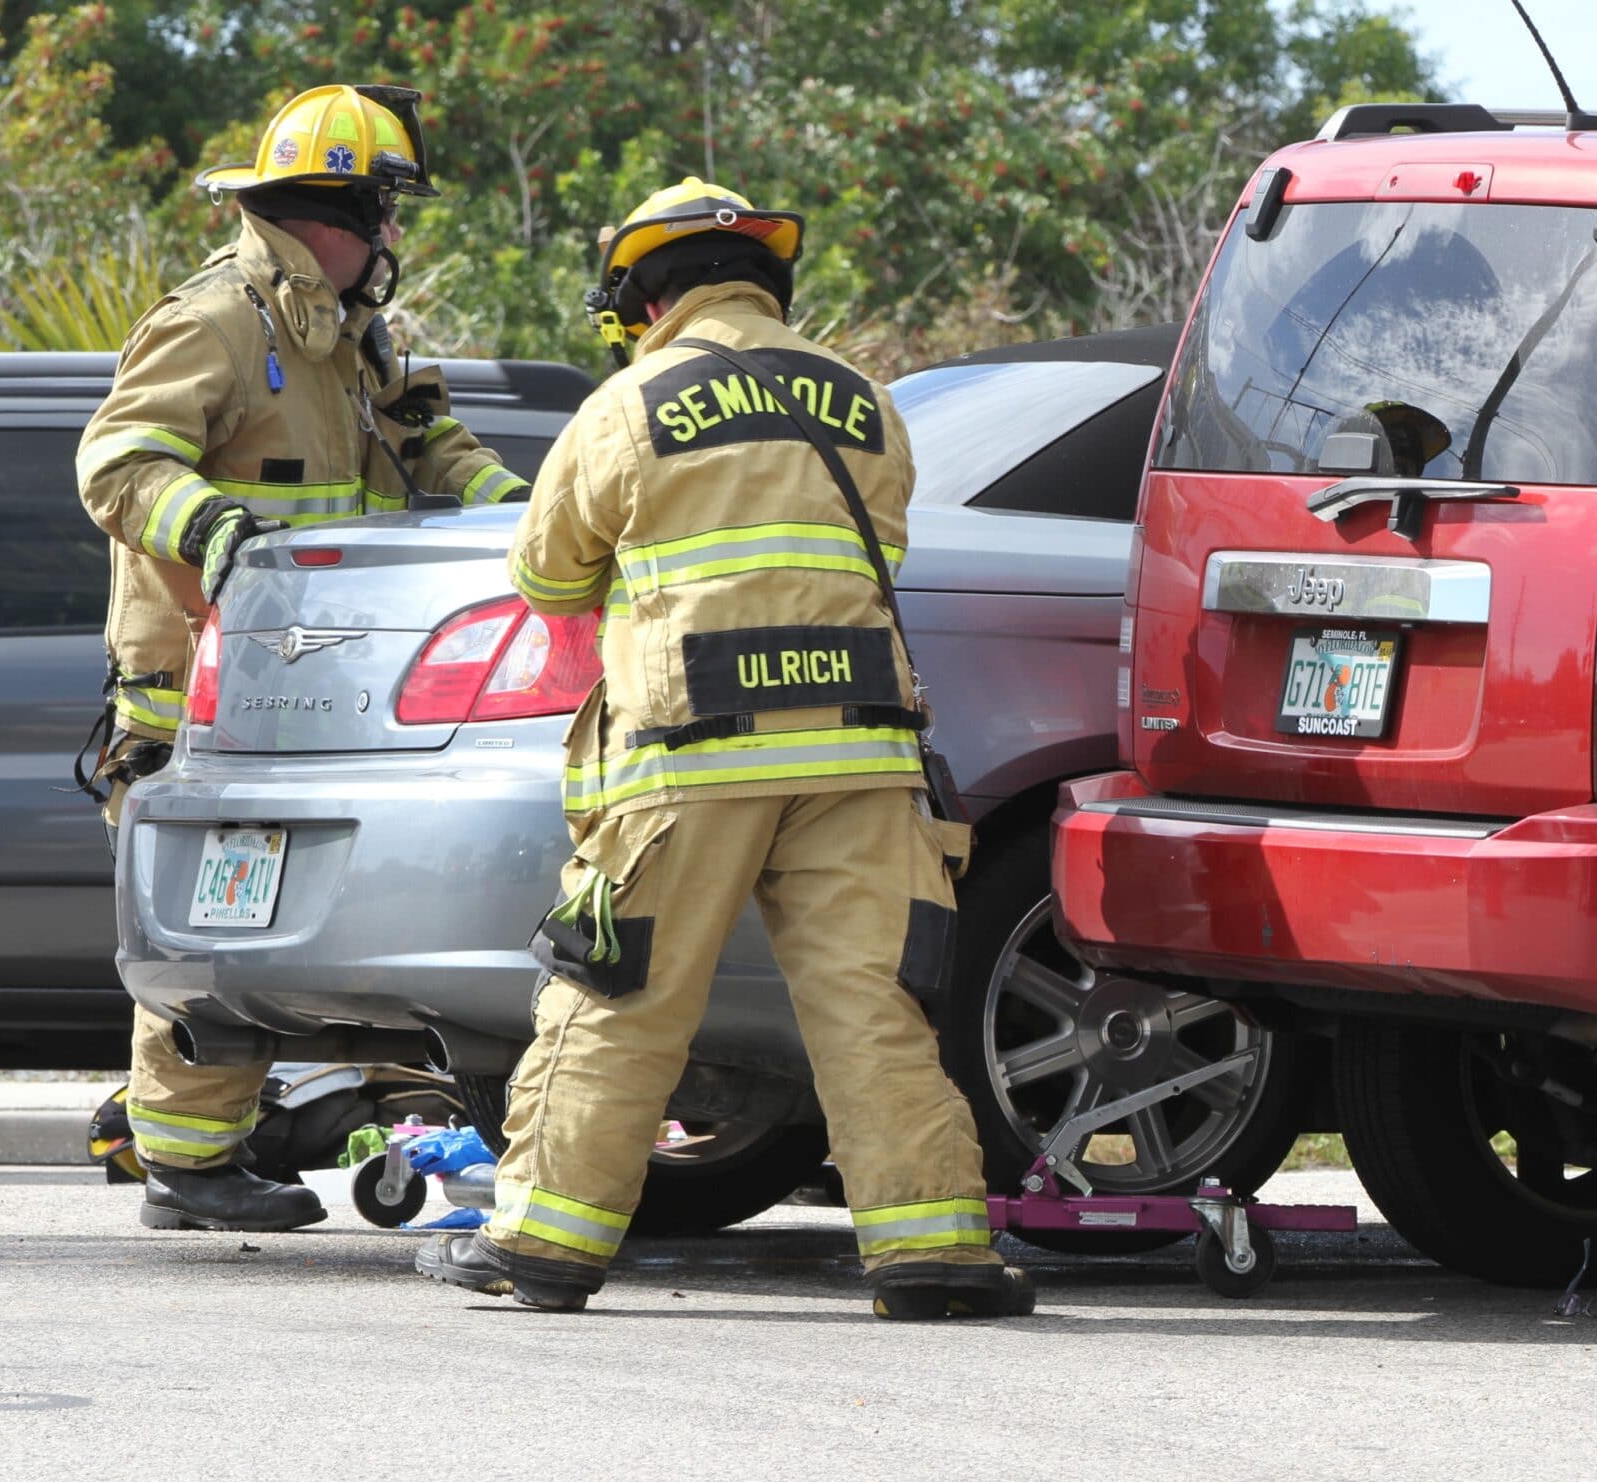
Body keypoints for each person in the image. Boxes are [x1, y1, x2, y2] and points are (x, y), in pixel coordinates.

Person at [415, 177, 1035, 1319]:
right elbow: (877, 550)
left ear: (643, 299)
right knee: (871, 1006)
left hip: (688, 755)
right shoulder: (864, 399)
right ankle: (933, 1254)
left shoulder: (628, 403)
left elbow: (547, 575)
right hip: (859, 752)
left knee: (621, 995)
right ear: (767, 281)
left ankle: (543, 1244)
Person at [76, 84, 528, 1233]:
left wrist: (524, 521)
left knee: (272, 932)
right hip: (192, 698)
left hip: (310, 697)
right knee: (212, 930)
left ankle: (229, 1149)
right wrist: (211, 526)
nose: (393, 235)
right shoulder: (219, 321)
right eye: (383, 211)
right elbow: (117, 463)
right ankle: (185, 1166)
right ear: (335, 214)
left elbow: (432, 446)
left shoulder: (347, 336)